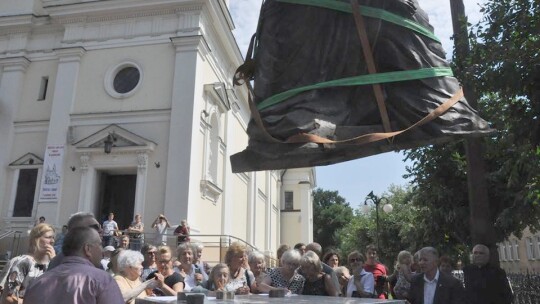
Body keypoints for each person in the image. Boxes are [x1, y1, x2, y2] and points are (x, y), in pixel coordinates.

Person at [23, 226, 124, 304]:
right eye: (100, 244)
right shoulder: (102, 280)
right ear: (87, 249)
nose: (102, 250)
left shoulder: (37, 283)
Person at [0, 223, 55, 304]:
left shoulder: (51, 264)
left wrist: (55, 261)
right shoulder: (23, 262)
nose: (52, 241)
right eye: (48, 237)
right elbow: (9, 298)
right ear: (36, 239)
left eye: (53, 238)